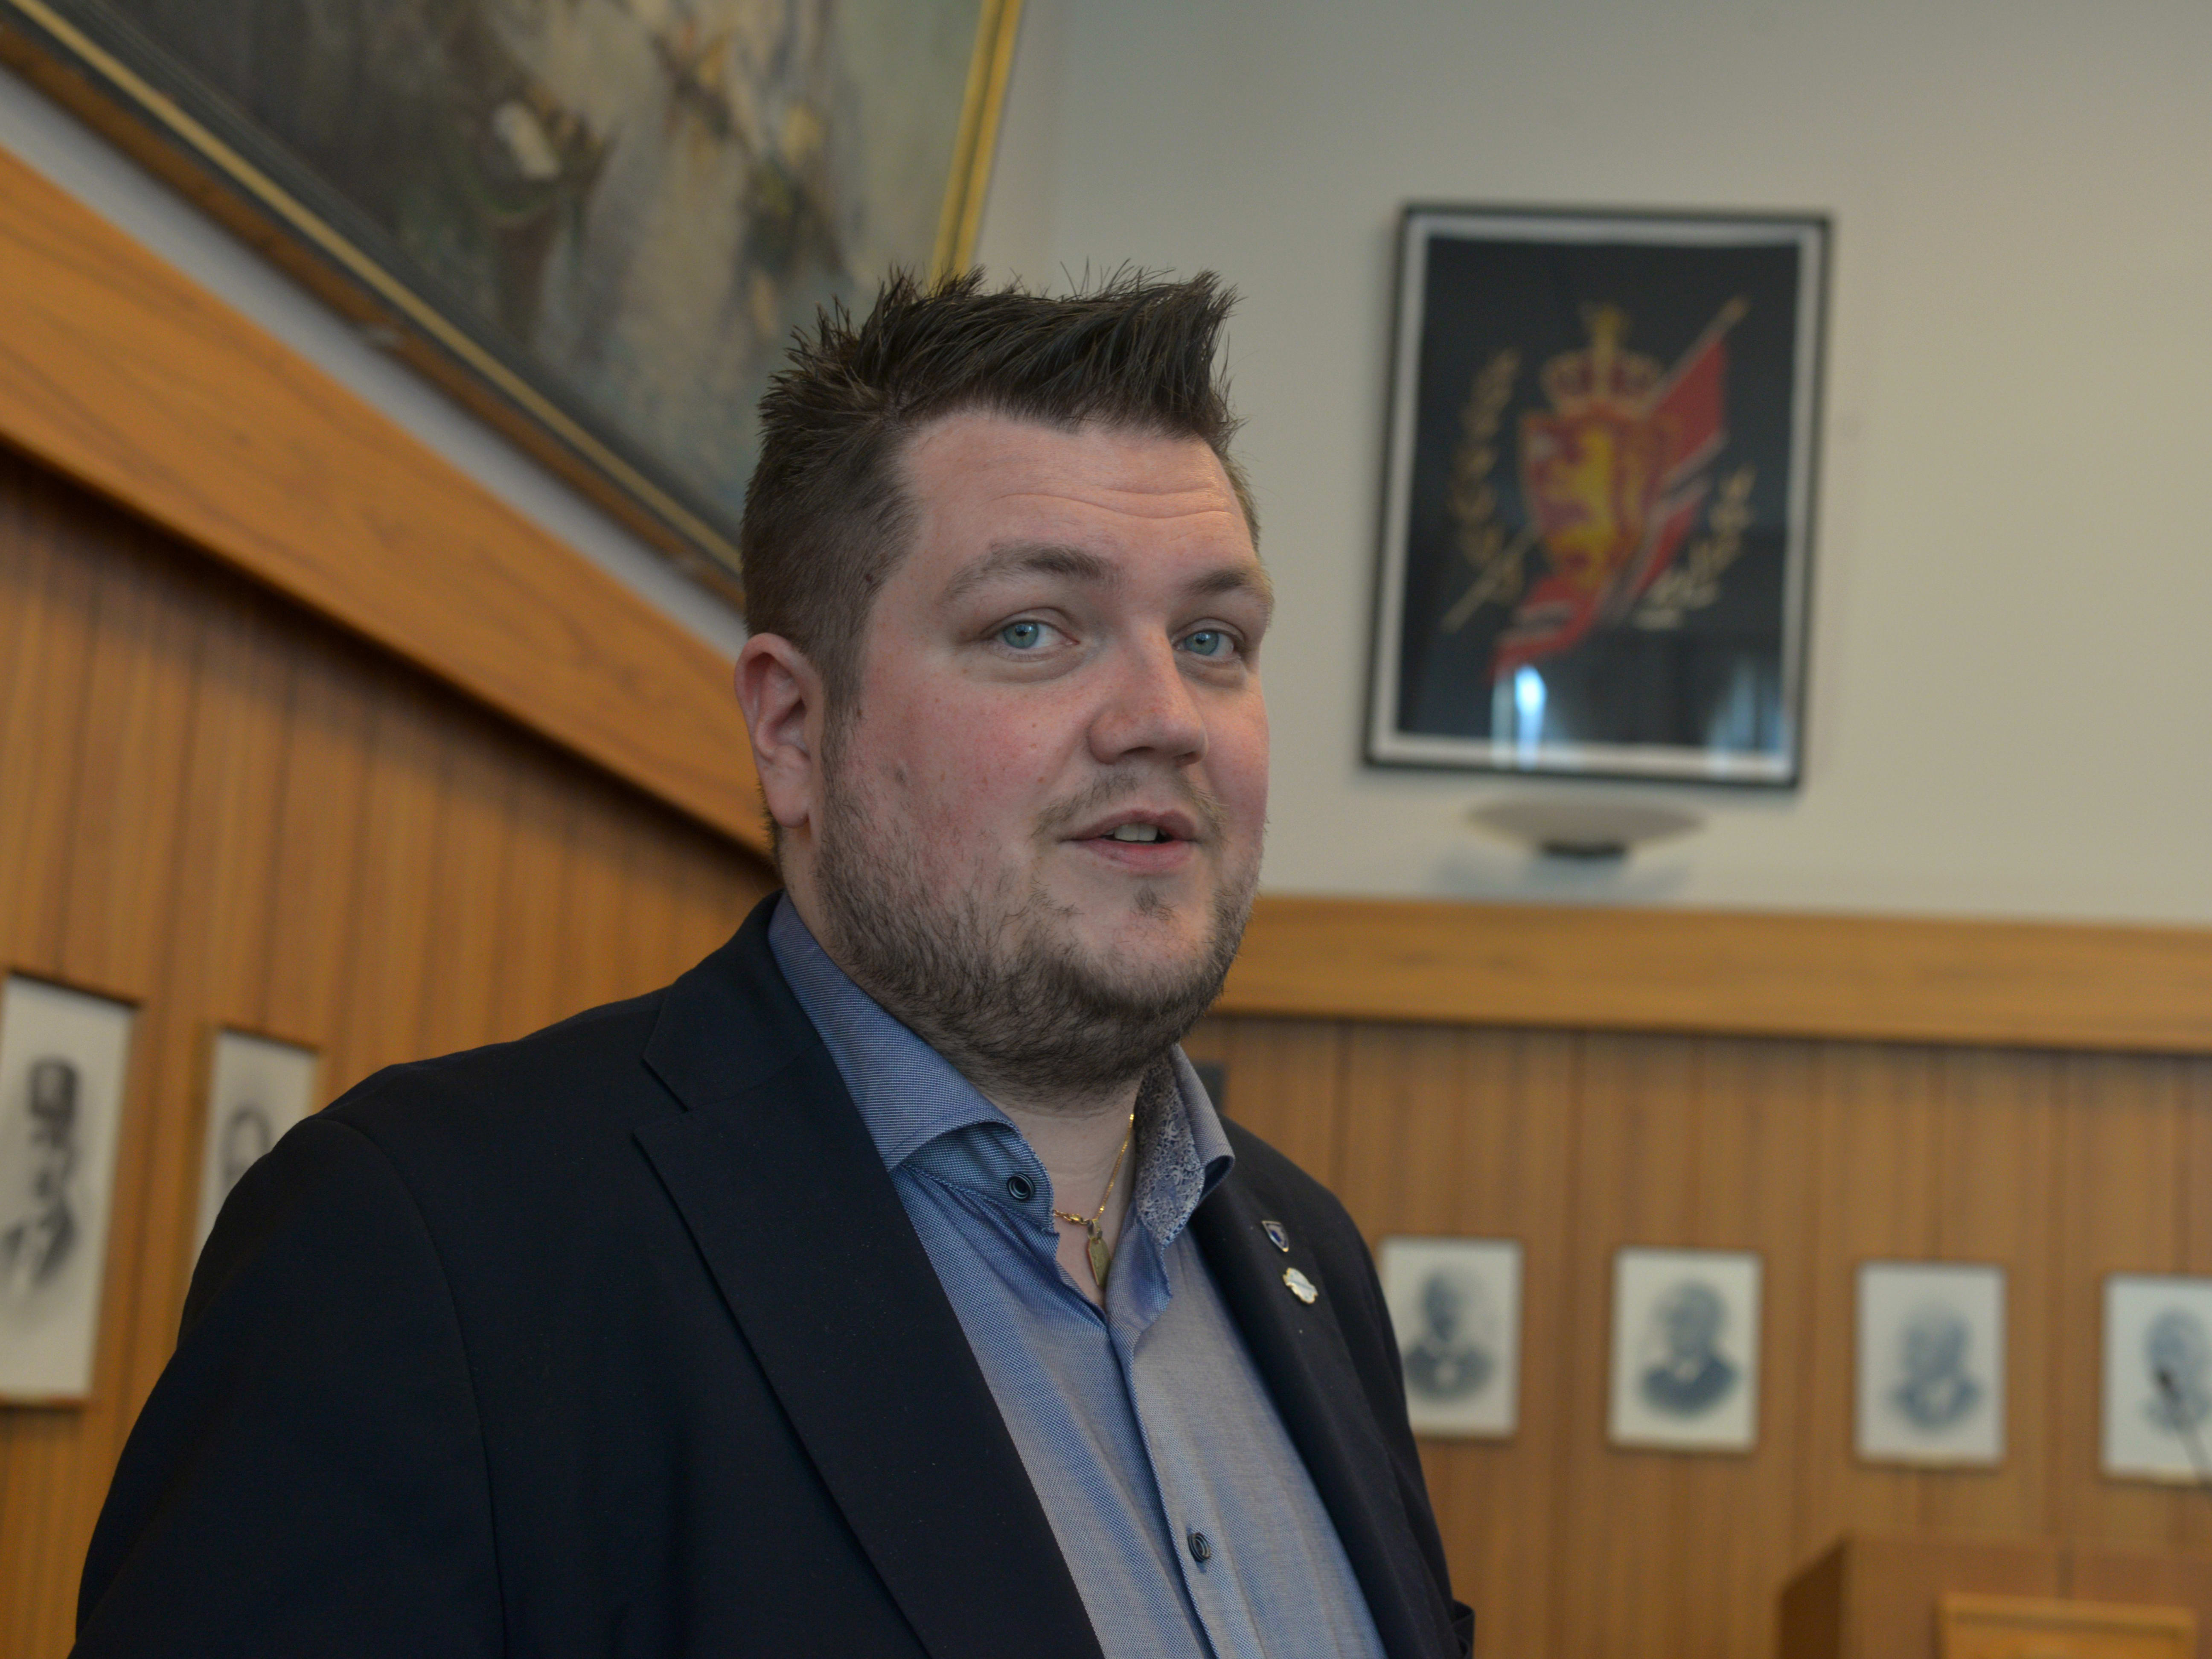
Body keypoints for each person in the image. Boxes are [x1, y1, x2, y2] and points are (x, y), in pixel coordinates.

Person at [75, 271, 1472, 1658]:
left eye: (1213, 639)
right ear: (794, 729)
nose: (1165, 715)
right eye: (1032, 628)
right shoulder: (431, 1252)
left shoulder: (1311, 1260)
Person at [0, 1057, 79, 1301]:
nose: (44, 1161)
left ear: (72, 1156)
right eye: (37, 1141)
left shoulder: (75, 1245)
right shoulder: (9, 1243)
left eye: (57, 1144)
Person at [1639, 1279, 1738, 1417]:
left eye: (1685, 1319)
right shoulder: (1652, 1383)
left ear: (1708, 1326)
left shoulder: (1728, 1379)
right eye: (1670, 1318)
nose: (1673, 1327)